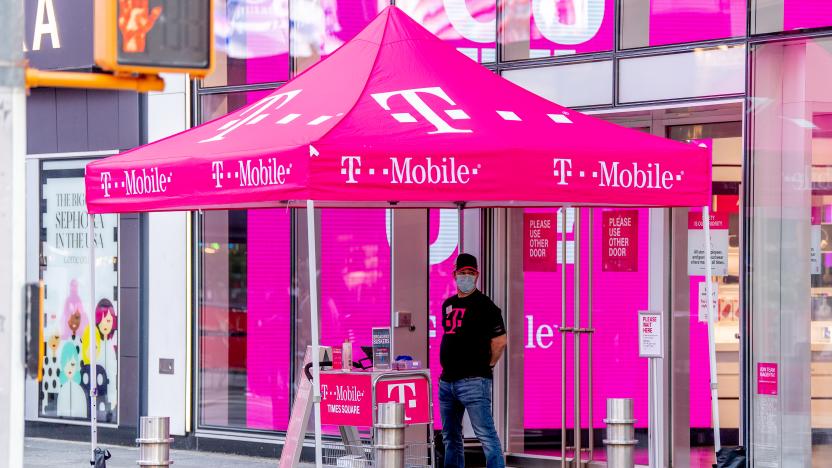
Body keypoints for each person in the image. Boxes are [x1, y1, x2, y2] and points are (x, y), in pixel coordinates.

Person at [439, 253, 507, 468]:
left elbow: (500, 342)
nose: (466, 277)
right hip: (447, 382)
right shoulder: (448, 304)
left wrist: (487, 366)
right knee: (450, 437)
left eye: (470, 273)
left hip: (473, 381)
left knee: (486, 436)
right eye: (462, 273)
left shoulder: (486, 306)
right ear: (454, 275)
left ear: (477, 276)